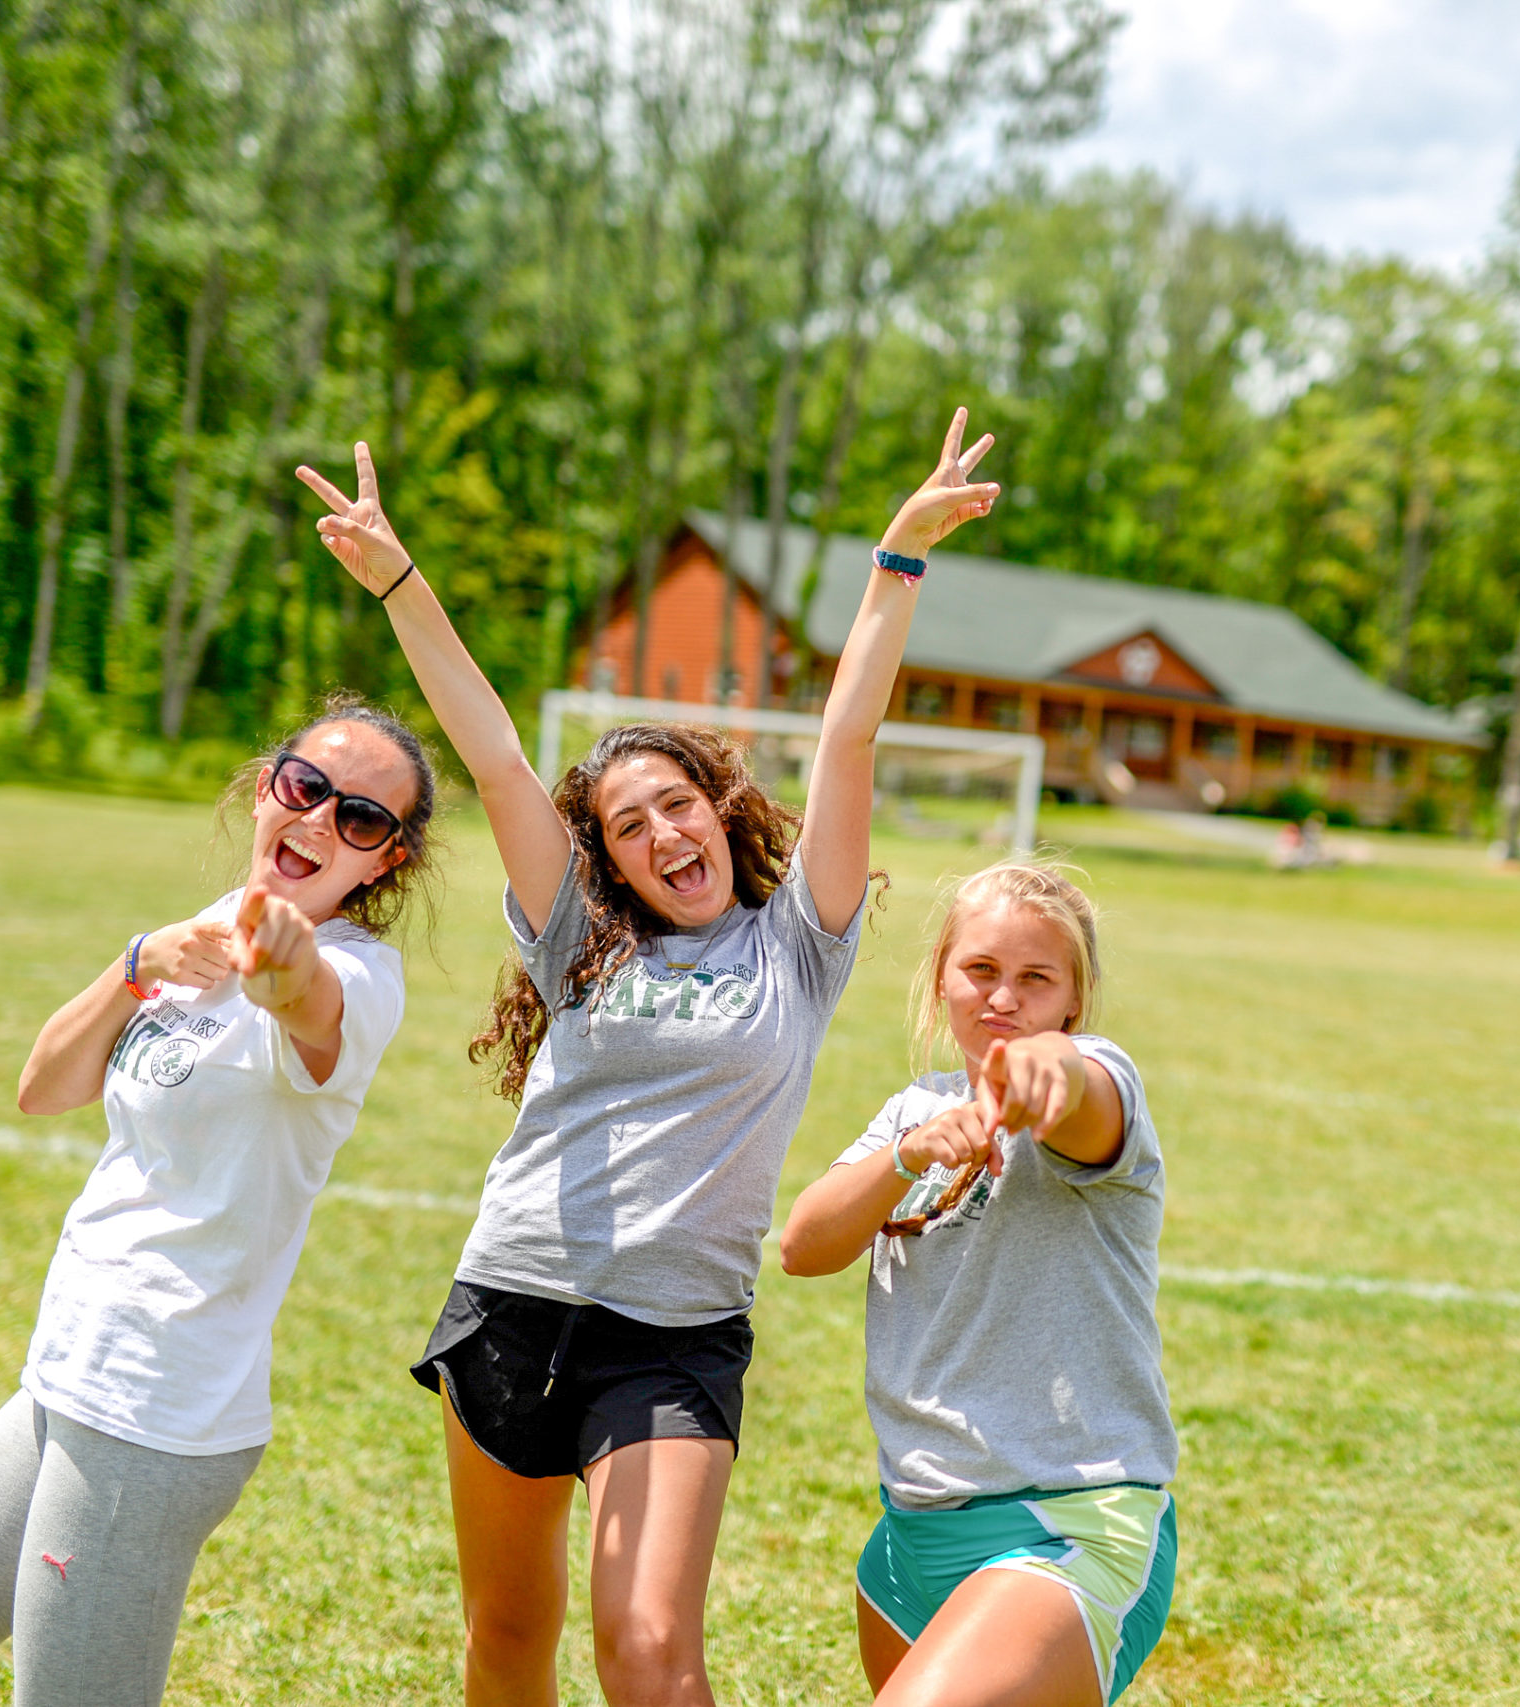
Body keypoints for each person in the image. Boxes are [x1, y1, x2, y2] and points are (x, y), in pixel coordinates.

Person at [297, 410, 999, 1707]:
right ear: (604, 861)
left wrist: (894, 561)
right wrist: (400, 581)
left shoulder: (798, 945)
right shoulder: (577, 935)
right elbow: (496, 755)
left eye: (679, 800)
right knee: (508, 1637)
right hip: (510, 1302)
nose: (665, 830)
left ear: (719, 809)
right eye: (629, 823)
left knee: (650, 1650)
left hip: (670, 1343)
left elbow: (846, 741)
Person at [0, 699, 438, 1707]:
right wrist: (135, 962)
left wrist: (283, 948)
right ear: (269, 788)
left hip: (156, 1419)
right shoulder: (187, 945)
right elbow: (45, 1085)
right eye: (306, 787)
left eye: (360, 819)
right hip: (64, 1380)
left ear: (385, 862)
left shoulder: (361, 978)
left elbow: (304, 1002)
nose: (321, 820)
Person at [778, 862, 1177, 1707]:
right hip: (909, 1542)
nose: (1004, 997)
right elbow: (805, 1245)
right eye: (982, 971)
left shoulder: (1095, 1075)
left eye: (1037, 979)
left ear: (1073, 997)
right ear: (943, 979)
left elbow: (1077, 1090)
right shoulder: (912, 1109)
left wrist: (1042, 1069)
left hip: (1065, 1527)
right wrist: (906, 1155)